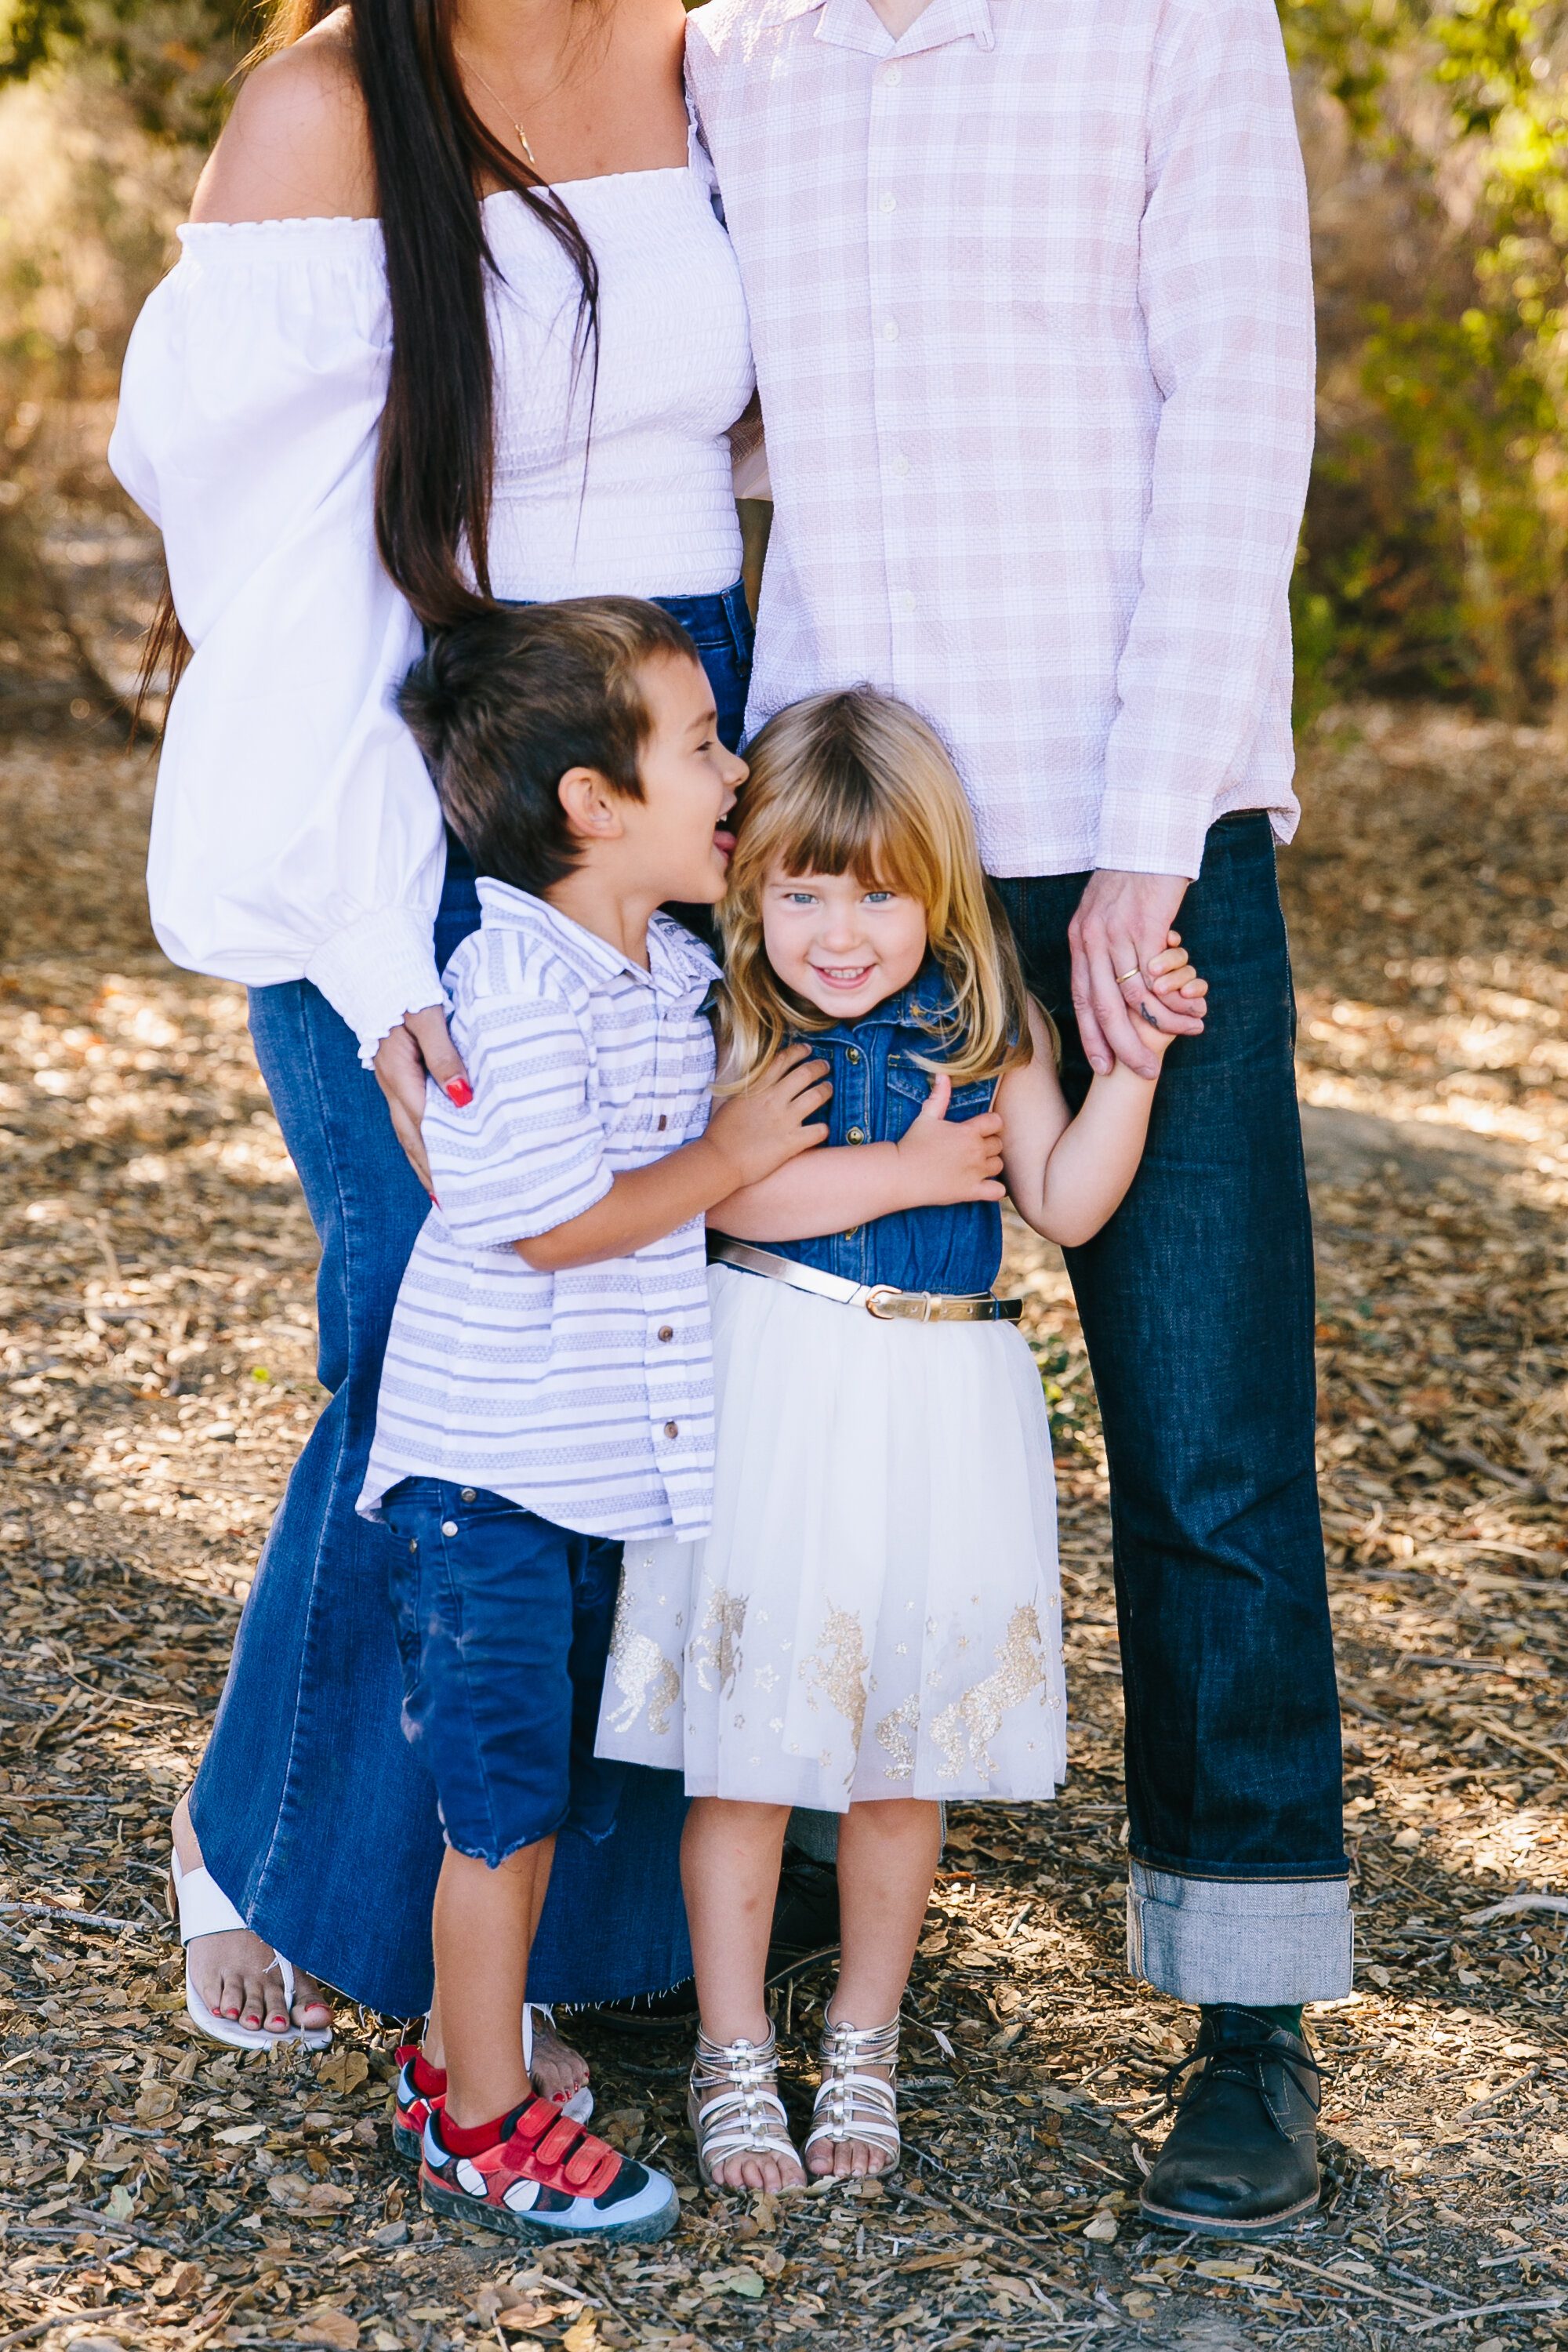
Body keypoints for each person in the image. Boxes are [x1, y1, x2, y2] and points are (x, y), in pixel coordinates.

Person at [684, 0, 1345, 2236]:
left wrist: (1155, 843)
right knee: (774, 1379)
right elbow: (726, 407)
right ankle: (753, 1904)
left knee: (1210, 1442)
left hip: (1125, 828)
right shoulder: (741, 44)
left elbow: (1242, 412)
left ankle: (1246, 2012)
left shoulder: (1174, 19)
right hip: (849, 865)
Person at [106, 0, 759, 2084]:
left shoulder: (715, 56)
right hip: (429, 765)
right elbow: (270, 585)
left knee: (657, 1310)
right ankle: (287, 1850)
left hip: (682, 745)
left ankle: (563, 1904)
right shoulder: (324, 105)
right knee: (434, 1315)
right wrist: (383, 942)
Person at [597, 688, 1207, 2190]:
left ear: (939, 891)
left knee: (901, 1755)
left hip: (943, 1403)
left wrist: (1131, 1058)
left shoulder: (987, 1028)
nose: (840, 933)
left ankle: (861, 2044)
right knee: (741, 1749)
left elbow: (1061, 1202)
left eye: (878, 896)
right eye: (801, 893)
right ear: (751, 888)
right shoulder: (742, 1017)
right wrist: (907, 1169)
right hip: (784, 1388)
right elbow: (732, 1201)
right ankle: (736, 2051)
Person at [353, 597, 830, 2238]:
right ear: (592, 804)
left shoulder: (662, 965)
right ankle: (478, 2119)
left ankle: (453, 2058)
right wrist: (736, 1153)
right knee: (503, 1806)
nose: (737, 768)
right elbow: (552, 1217)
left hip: (559, 1483)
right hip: (484, 1485)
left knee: (529, 1788)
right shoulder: (519, 982)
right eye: (701, 746)